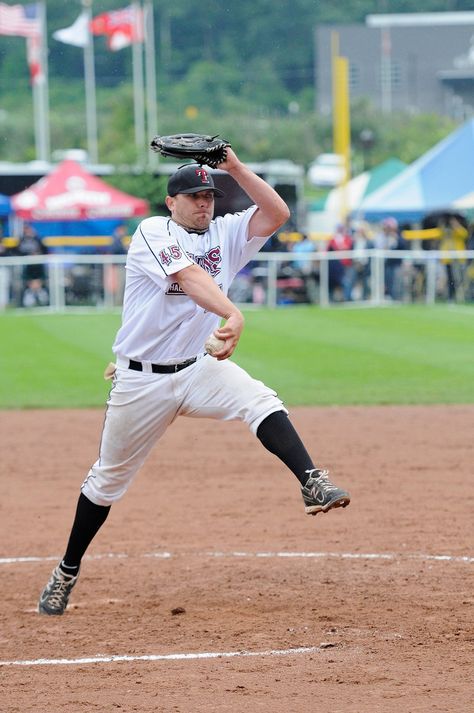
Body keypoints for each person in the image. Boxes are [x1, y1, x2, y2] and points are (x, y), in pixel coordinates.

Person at [38, 149, 350, 616]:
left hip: (195, 367)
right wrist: (232, 311)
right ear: (171, 202)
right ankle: (66, 570)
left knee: (258, 399)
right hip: (141, 381)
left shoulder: (226, 232)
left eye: (209, 195)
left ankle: (311, 480)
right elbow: (187, 275)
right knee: (107, 482)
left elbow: (278, 213)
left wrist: (237, 168)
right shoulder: (152, 232)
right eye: (194, 196)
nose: (204, 203)